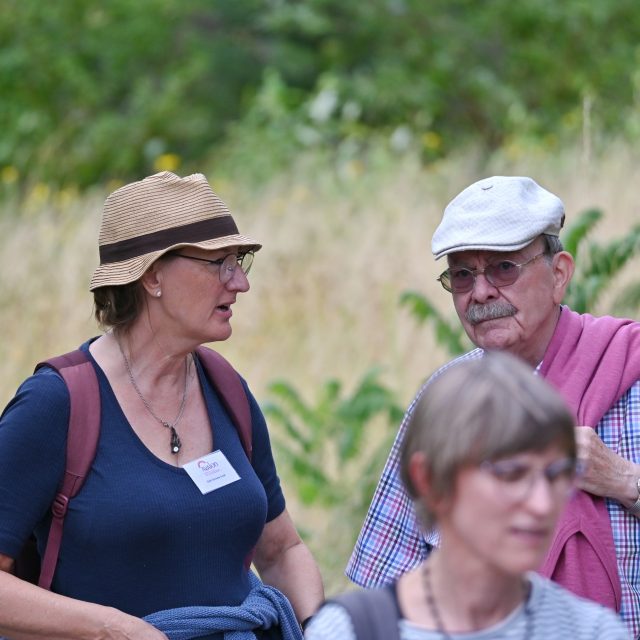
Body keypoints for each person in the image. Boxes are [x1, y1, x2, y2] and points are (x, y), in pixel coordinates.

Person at [0, 171, 324, 639]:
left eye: (240, 262)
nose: (239, 283)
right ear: (152, 275)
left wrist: (322, 626)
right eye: (219, 263)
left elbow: (280, 551)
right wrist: (114, 630)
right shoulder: (56, 403)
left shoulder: (226, 388)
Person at [346, 176, 640, 636]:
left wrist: (625, 480)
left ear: (559, 273)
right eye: (462, 275)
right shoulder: (447, 400)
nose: (480, 292)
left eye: (504, 268)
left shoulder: (631, 373)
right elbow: (390, 573)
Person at [308, 353, 629, 639]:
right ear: (431, 481)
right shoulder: (349, 631)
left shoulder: (594, 630)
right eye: (512, 474)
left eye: (555, 474)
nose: (543, 504)